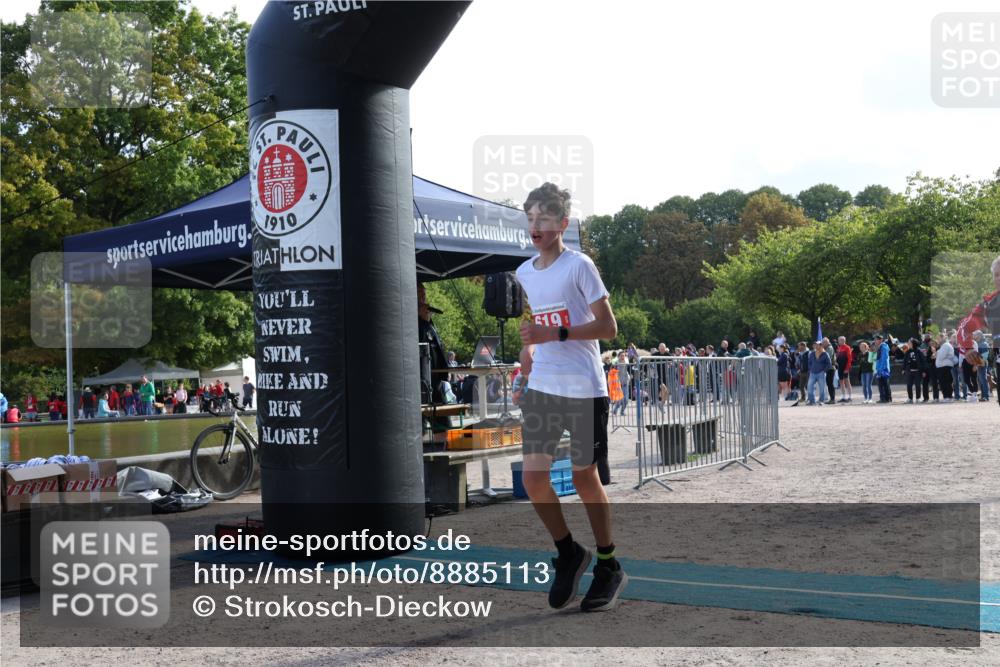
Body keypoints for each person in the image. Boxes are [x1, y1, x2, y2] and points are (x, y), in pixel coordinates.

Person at [514, 182, 625, 612]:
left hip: (583, 387)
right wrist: (528, 347)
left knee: (584, 479)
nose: (535, 226)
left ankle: (608, 563)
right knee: (533, 479)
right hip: (544, 385)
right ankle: (567, 553)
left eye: (543, 218)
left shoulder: (580, 266)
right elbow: (532, 319)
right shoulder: (525, 272)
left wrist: (553, 333)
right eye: (529, 218)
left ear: (563, 224)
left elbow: (609, 328)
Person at [956, 254, 1000, 405]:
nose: (999, 278)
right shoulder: (989, 304)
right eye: (997, 275)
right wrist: (967, 347)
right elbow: (964, 325)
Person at [806, 342, 831, 406]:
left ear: (821, 346)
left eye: (817, 345)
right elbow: (809, 362)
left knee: (822, 388)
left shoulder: (825, 354)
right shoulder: (812, 353)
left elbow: (829, 364)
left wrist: (824, 371)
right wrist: (810, 369)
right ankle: (812, 401)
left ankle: (821, 401)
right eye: (815, 345)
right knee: (809, 387)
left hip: (821, 373)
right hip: (812, 373)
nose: (816, 346)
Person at [902, 338, 925, 403]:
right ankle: (910, 398)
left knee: (918, 385)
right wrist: (903, 369)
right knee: (909, 385)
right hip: (909, 371)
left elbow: (923, 361)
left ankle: (918, 398)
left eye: (909, 342)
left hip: (918, 371)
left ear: (913, 343)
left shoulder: (919, 351)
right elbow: (905, 361)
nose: (908, 344)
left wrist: (923, 371)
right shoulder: (908, 352)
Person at [935, 333, 956, 401]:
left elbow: (941, 357)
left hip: (945, 367)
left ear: (943, 338)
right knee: (942, 382)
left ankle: (948, 397)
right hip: (942, 367)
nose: (937, 340)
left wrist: (937, 353)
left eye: (938, 338)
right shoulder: (943, 346)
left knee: (946, 382)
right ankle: (946, 396)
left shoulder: (946, 345)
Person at [874, 334, 892, 403]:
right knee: (881, 384)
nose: (875, 341)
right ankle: (883, 398)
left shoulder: (883, 346)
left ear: (880, 340)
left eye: (876, 339)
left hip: (883, 369)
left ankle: (887, 398)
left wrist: (881, 369)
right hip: (880, 368)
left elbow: (884, 358)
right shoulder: (880, 347)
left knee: (885, 384)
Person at [835, 336, 854, 403]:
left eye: (841, 340)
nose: (839, 341)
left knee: (847, 381)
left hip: (845, 367)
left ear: (844, 340)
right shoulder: (839, 348)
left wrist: (847, 368)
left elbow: (849, 359)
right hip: (840, 367)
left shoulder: (847, 347)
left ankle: (850, 396)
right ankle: (843, 396)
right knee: (841, 382)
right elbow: (837, 357)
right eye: (839, 340)